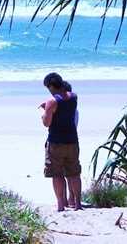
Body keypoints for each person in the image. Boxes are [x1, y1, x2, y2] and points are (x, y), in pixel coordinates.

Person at [39, 72, 82, 211]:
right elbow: (64, 106)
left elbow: (47, 123)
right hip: (72, 141)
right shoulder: (74, 97)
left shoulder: (52, 102)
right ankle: (77, 204)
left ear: (51, 86)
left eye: (48, 87)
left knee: (56, 174)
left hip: (56, 142)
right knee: (74, 173)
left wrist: (45, 111)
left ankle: (60, 205)